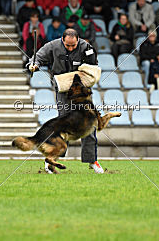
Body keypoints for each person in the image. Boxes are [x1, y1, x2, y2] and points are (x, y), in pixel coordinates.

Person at [27, 28, 104, 174]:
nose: (70, 48)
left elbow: (93, 67)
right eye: (67, 45)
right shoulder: (52, 46)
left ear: (78, 40)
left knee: (89, 125)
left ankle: (92, 160)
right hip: (63, 90)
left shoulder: (87, 48)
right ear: (62, 40)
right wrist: (33, 65)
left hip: (82, 92)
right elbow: (38, 58)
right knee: (64, 126)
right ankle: (52, 160)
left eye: (73, 46)